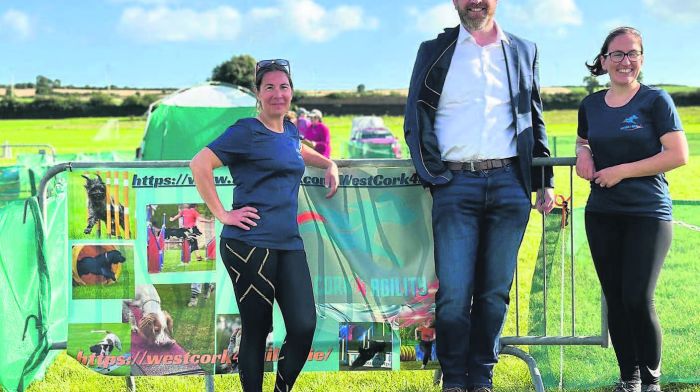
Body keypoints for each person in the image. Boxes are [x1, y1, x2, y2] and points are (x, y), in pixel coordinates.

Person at [403, 1, 554, 391]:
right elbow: (415, 116)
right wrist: (432, 172)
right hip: (455, 185)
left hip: (510, 185)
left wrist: (544, 180)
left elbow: (533, 116)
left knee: (494, 292)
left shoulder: (523, 49)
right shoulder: (433, 51)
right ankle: (454, 379)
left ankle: (481, 377)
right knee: (454, 293)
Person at [190, 59, 339, 392]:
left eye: (283, 87)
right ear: (258, 93)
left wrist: (328, 162)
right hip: (249, 244)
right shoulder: (246, 131)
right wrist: (222, 214)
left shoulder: (289, 130)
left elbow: (295, 150)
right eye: (269, 87)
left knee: (304, 324)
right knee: (257, 330)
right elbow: (200, 163)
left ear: (291, 92)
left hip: (288, 243)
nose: (277, 93)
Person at [575, 27, 688, 392]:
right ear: (604, 59)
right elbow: (583, 139)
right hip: (602, 214)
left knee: (638, 296)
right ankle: (629, 379)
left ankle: (652, 380)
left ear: (641, 58)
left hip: (648, 214)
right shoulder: (590, 104)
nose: (626, 61)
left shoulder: (656, 101)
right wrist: (584, 154)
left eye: (633, 54)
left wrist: (620, 172)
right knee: (617, 298)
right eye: (618, 54)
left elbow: (677, 155)